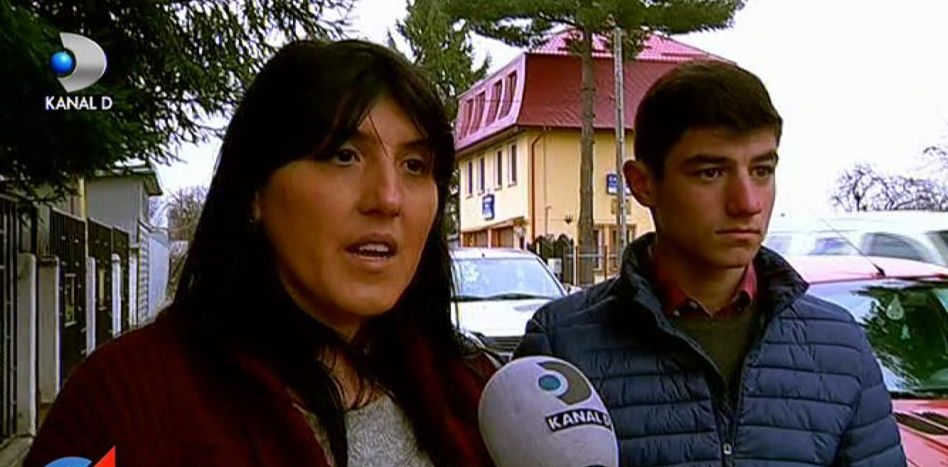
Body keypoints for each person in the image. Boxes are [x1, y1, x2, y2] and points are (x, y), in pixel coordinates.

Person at [26, 39, 497, 467]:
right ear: (256, 191)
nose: (388, 198)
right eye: (343, 156)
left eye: (415, 165)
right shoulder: (126, 402)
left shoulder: (474, 394)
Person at [515, 60, 906, 466]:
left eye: (762, 171)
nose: (747, 203)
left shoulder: (840, 346)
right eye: (711, 173)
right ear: (643, 184)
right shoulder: (563, 343)